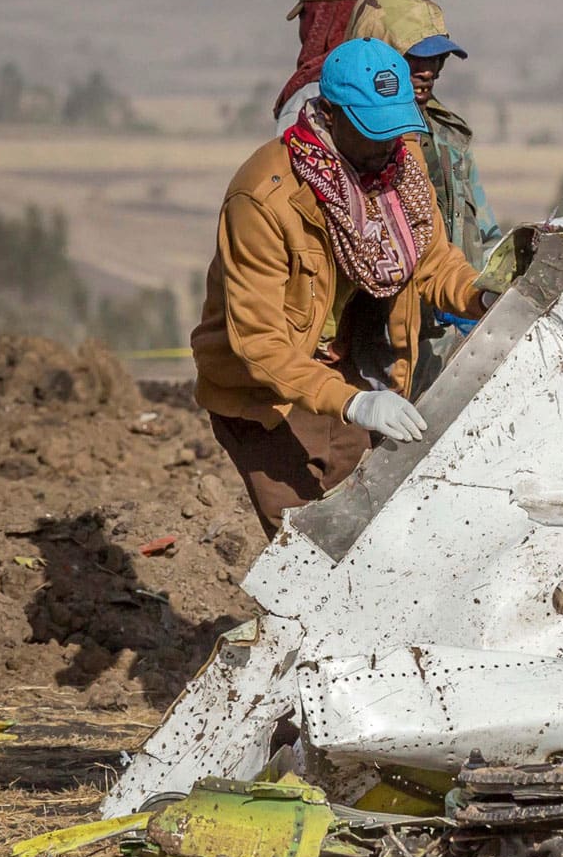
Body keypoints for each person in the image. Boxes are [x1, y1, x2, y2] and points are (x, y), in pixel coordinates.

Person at [193, 38, 489, 537]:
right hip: (266, 397)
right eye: (372, 132)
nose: (386, 147)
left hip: (344, 368)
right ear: (330, 116)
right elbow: (259, 343)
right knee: (303, 549)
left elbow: (433, 261)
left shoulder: (399, 167)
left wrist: (483, 296)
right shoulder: (264, 199)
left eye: (395, 130)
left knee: (363, 533)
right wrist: (354, 403)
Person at [346, 0, 504, 390]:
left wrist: (487, 292)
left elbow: (481, 230)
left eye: (437, 59)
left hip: (450, 332)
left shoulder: (446, 135)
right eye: (413, 58)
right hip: (377, 343)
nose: (428, 71)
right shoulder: (351, 141)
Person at [273, 0, 380, 133]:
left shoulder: (311, 97)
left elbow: (288, 159)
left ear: (319, 20)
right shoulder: (393, 83)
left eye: (305, 16)